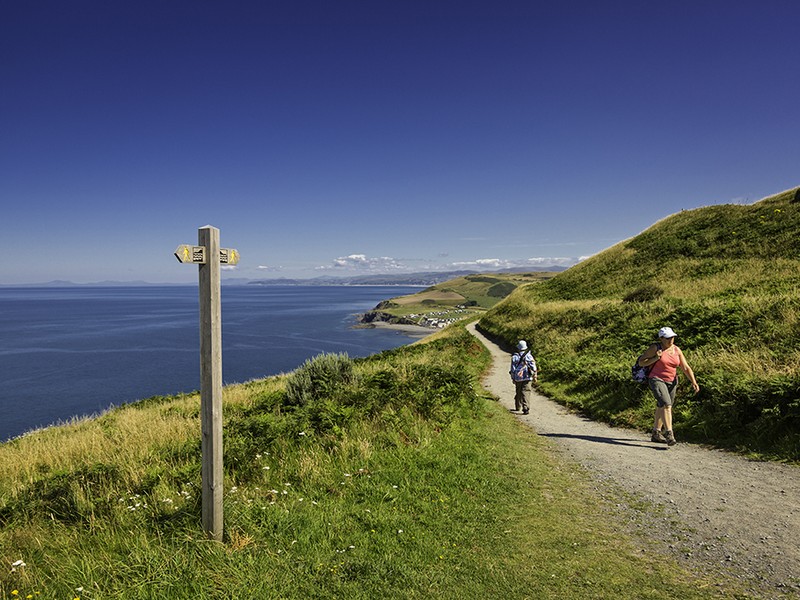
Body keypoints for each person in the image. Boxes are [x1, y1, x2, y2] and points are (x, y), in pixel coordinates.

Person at [638, 326, 700, 446]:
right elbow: (641, 362)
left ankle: (656, 432)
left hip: (672, 381)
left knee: (662, 405)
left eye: (672, 337)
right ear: (661, 338)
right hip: (656, 379)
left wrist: (694, 381)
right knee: (666, 404)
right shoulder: (655, 348)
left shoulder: (677, 350)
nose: (670, 340)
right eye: (667, 338)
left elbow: (685, 367)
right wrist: (656, 358)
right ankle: (669, 434)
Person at [509, 340, 538, 415]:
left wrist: (513, 377)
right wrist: (535, 374)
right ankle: (526, 408)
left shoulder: (515, 357)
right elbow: (533, 367)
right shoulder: (529, 356)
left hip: (518, 377)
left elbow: (513, 369)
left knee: (518, 391)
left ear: (518, 348)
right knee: (526, 391)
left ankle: (518, 406)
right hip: (527, 376)